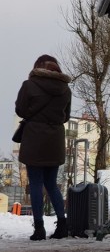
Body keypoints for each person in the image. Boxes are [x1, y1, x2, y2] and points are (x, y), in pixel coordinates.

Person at [15, 55, 72, 240]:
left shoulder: (29, 85)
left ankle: (39, 229)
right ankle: (62, 226)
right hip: (55, 139)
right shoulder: (65, 89)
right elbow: (66, 117)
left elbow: (21, 110)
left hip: (34, 138)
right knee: (52, 184)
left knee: (36, 183)